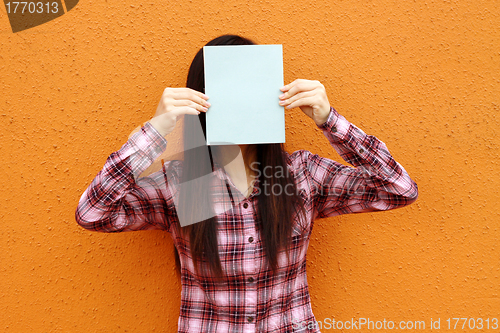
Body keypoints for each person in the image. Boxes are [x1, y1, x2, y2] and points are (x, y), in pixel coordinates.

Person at [75, 34, 418, 332]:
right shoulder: (181, 183)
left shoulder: (303, 175)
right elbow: (93, 213)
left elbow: (398, 188)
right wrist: (155, 131)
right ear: (200, 100)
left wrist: (329, 119)